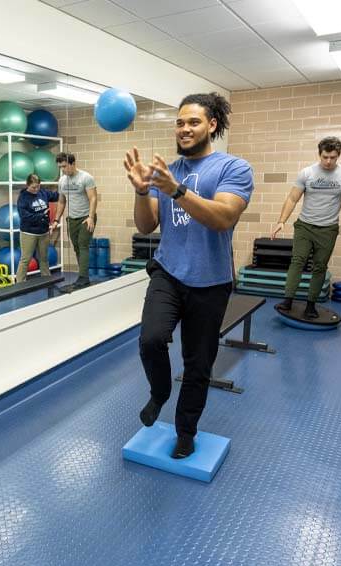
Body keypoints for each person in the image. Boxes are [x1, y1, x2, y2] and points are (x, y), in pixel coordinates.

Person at [124, 93, 254, 459]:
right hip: (168, 271)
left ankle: (186, 431)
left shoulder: (233, 168)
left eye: (193, 122)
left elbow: (223, 217)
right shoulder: (167, 171)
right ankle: (160, 392)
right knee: (151, 339)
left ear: (212, 125)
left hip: (211, 280)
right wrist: (142, 191)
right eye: (180, 122)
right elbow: (146, 225)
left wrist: (177, 191)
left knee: (198, 365)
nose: (184, 128)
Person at [271, 137, 341, 318]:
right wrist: (281, 221)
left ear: (338, 155)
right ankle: (287, 300)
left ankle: (311, 304)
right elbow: (292, 198)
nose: (328, 161)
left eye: (333, 157)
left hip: (328, 229)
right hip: (304, 226)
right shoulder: (307, 173)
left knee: (320, 267)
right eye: (325, 157)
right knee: (298, 261)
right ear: (319, 154)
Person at [54, 152, 98, 289]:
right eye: (60, 167)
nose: (63, 170)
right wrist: (56, 220)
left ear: (73, 164)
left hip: (86, 217)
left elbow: (93, 198)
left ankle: (83, 277)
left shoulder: (86, 177)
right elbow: (61, 202)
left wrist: (91, 217)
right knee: (77, 248)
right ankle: (84, 276)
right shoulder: (62, 181)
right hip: (72, 219)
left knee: (83, 245)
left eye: (64, 166)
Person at [15, 173, 59, 282]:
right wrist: (41, 215)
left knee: (44, 259)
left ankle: (47, 281)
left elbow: (57, 196)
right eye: (33, 187)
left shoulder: (43, 193)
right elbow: (24, 216)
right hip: (29, 233)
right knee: (25, 259)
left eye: (38, 186)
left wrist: (65, 188)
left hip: (43, 232)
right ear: (27, 185)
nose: (36, 189)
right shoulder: (23, 197)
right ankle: (19, 284)